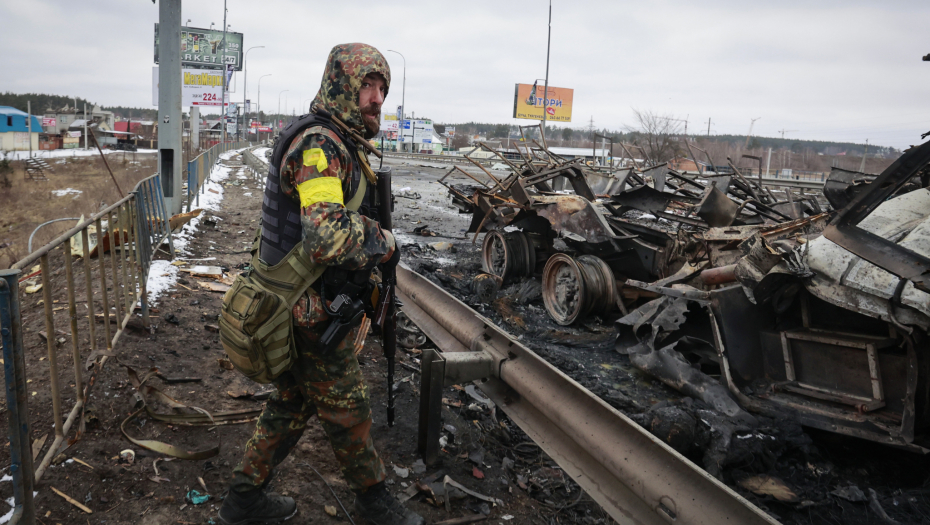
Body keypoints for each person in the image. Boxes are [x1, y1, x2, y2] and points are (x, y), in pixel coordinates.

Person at [218, 43, 424, 525]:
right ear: (341, 87)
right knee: (347, 405)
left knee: (294, 402)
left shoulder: (339, 141)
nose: (376, 98)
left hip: (303, 299)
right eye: (366, 86)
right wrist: (385, 240)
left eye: (381, 89)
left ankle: (242, 499)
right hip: (303, 305)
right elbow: (327, 234)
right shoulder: (320, 146)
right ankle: (374, 503)